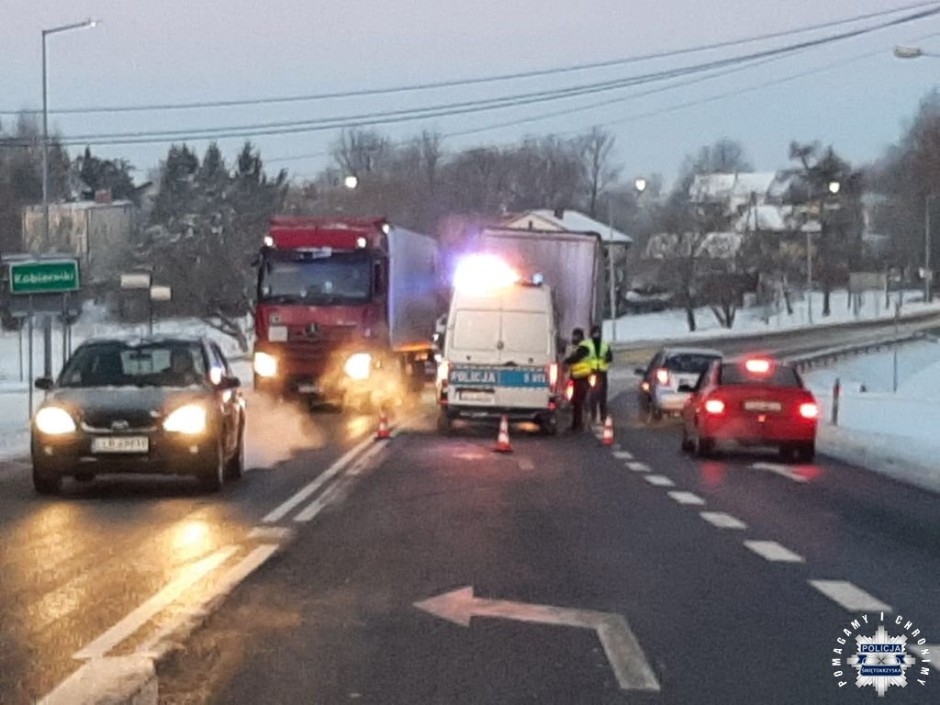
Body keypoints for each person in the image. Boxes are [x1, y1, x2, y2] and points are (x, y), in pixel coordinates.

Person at [564, 327, 596, 432]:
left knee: (578, 402)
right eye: (573, 335)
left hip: (582, 378)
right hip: (577, 378)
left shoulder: (584, 347)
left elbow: (577, 357)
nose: (574, 338)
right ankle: (578, 424)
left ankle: (579, 425)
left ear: (581, 337)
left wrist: (566, 361)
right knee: (576, 402)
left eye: (576, 336)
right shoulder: (577, 347)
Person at [589, 324, 613, 425]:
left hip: (600, 373)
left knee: (601, 396)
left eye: (597, 333)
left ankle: (601, 416)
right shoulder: (589, 346)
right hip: (593, 373)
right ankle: (596, 416)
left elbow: (610, 357)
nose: (596, 335)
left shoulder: (604, 345)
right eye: (595, 333)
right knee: (594, 396)